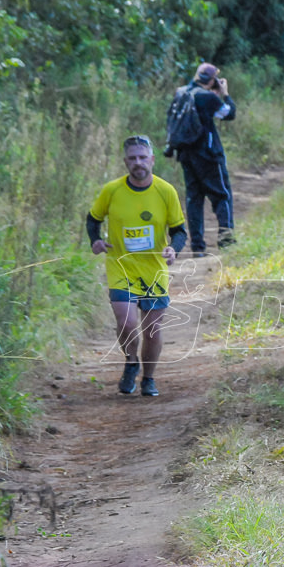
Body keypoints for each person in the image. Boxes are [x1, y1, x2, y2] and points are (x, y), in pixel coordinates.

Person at [86, 135, 187, 397]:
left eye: (143, 157)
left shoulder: (166, 191)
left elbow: (179, 230)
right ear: (125, 162)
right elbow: (93, 218)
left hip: (153, 269)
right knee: (127, 322)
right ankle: (131, 361)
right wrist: (95, 241)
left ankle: (149, 378)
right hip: (120, 267)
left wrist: (173, 249)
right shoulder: (112, 190)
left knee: (152, 330)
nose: (138, 163)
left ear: (152, 160)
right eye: (132, 158)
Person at [168, 62, 237, 255]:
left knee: (194, 199)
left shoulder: (181, 92)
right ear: (213, 80)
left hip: (185, 154)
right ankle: (226, 238)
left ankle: (197, 246)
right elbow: (229, 113)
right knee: (222, 195)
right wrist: (225, 94)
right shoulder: (207, 97)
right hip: (208, 154)